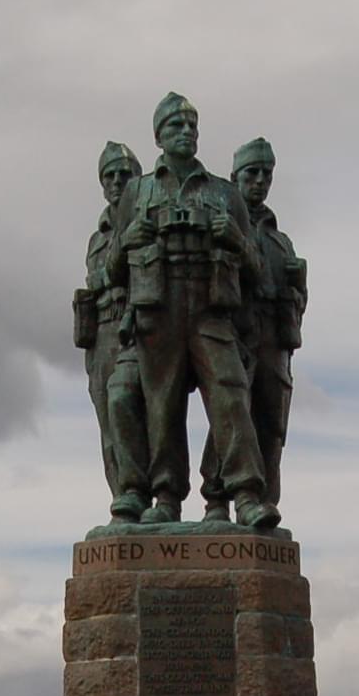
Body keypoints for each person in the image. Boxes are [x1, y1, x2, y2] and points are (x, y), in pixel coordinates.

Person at [97, 92, 275, 529]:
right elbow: (110, 269)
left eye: (192, 125)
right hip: (158, 306)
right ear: (159, 135)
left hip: (210, 308)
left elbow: (257, 270)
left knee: (230, 393)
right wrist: (131, 236)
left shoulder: (224, 192)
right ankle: (166, 496)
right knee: (162, 406)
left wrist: (234, 236)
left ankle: (246, 494)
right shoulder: (137, 192)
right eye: (176, 125)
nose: (187, 132)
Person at [202, 134, 304, 515]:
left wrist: (298, 290)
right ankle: (216, 498)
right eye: (252, 173)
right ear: (235, 177)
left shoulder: (281, 242)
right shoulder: (224, 225)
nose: (260, 180)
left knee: (272, 424)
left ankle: (264, 502)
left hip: (275, 338)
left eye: (266, 173)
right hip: (234, 331)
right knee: (230, 414)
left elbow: (298, 300)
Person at [74, 141, 142, 499]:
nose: (116, 181)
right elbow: (97, 279)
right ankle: (122, 498)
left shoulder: (145, 223)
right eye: (109, 175)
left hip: (138, 329)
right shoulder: (96, 238)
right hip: (101, 333)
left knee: (133, 412)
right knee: (108, 424)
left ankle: (144, 493)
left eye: (123, 174)